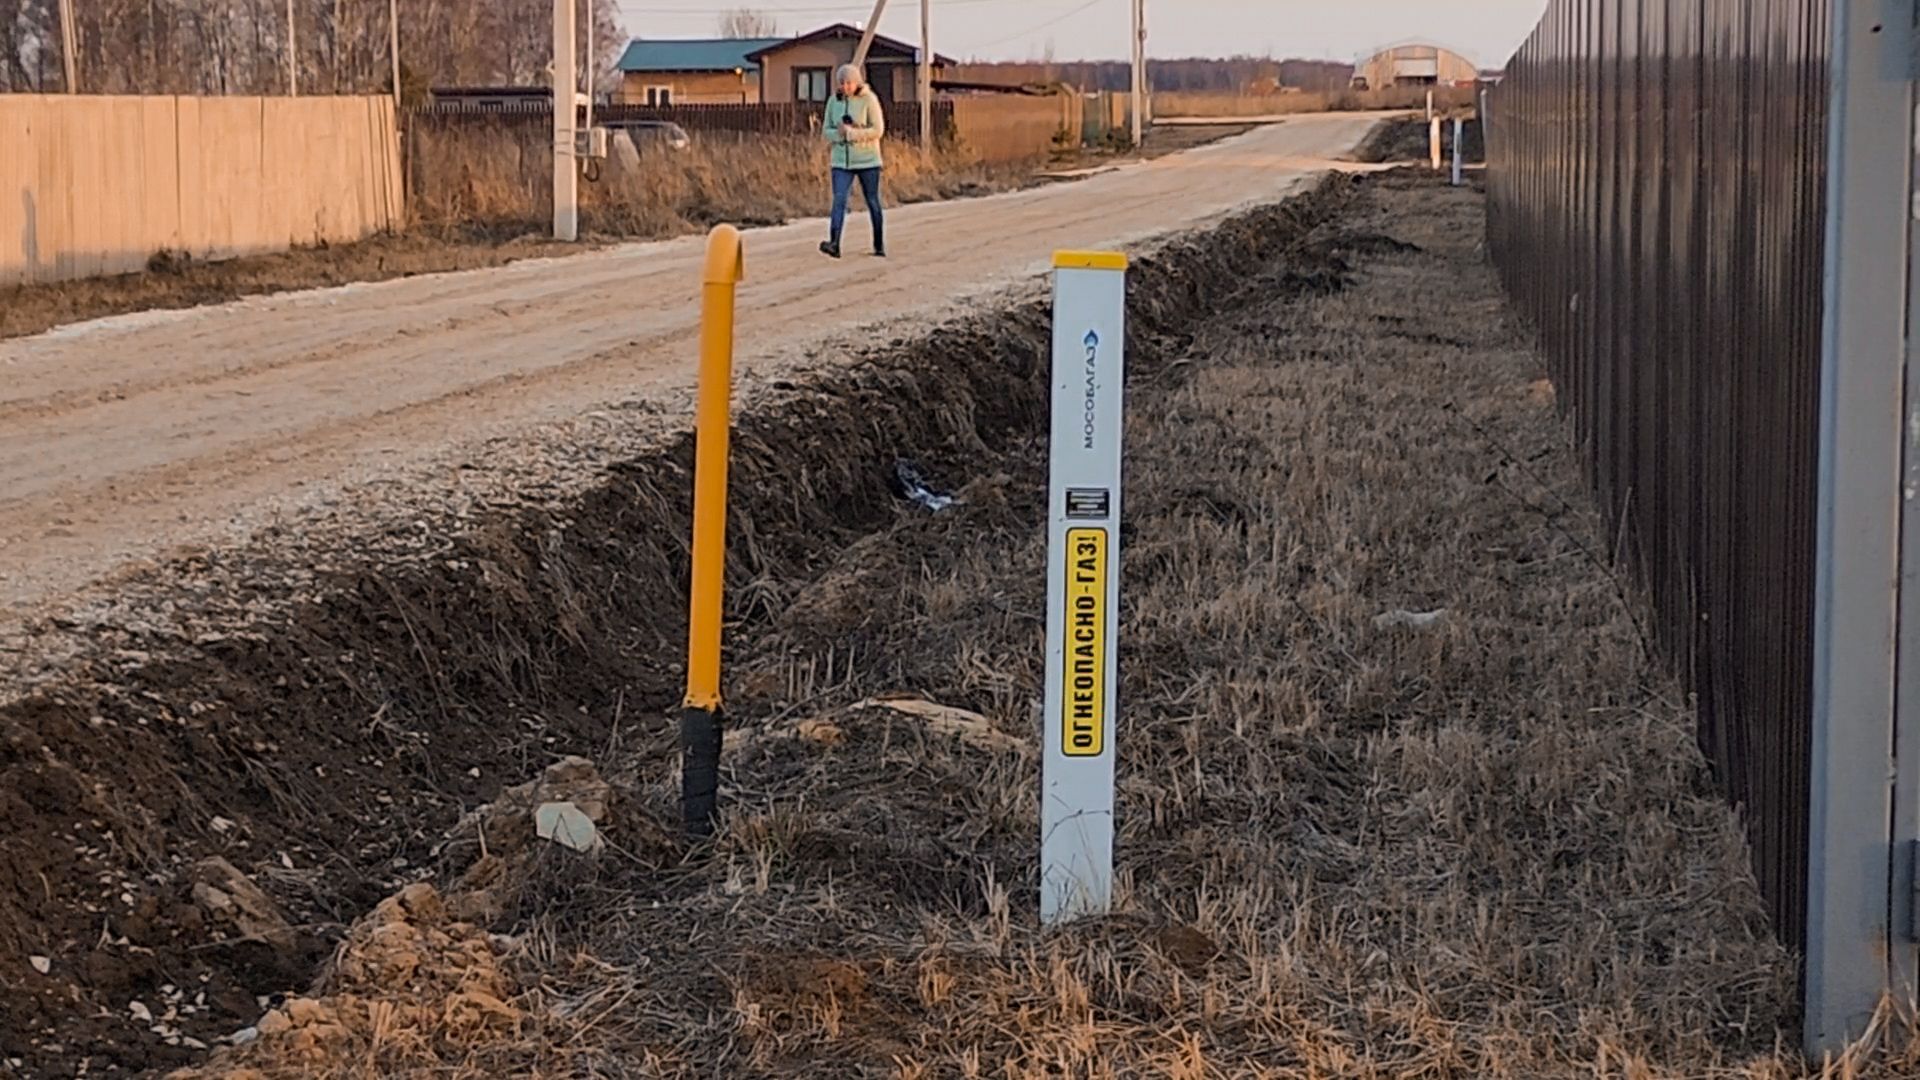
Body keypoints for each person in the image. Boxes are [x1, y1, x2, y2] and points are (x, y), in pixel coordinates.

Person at [820, 63, 886, 259]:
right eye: (842, 83)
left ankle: (878, 243)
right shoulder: (833, 102)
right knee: (839, 200)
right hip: (841, 162)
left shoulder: (869, 100)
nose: (845, 87)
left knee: (872, 200)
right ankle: (834, 243)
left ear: (857, 82)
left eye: (849, 82)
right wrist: (839, 134)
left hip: (868, 160)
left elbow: (878, 130)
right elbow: (826, 130)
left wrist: (853, 134)